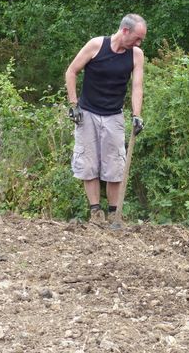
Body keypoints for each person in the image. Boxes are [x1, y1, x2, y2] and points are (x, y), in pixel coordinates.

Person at [65, 13, 146, 224]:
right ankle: (95, 213)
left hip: (114, 116)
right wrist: (73, 105)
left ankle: (113, 214)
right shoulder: (96, 45)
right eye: (137, 38)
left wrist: (137, 115)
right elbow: (71, 72)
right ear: (125, 31)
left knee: (115, 167)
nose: (139, 43)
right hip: (87, 113)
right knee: (88, 164)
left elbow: (137, 87)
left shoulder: (136, 55)